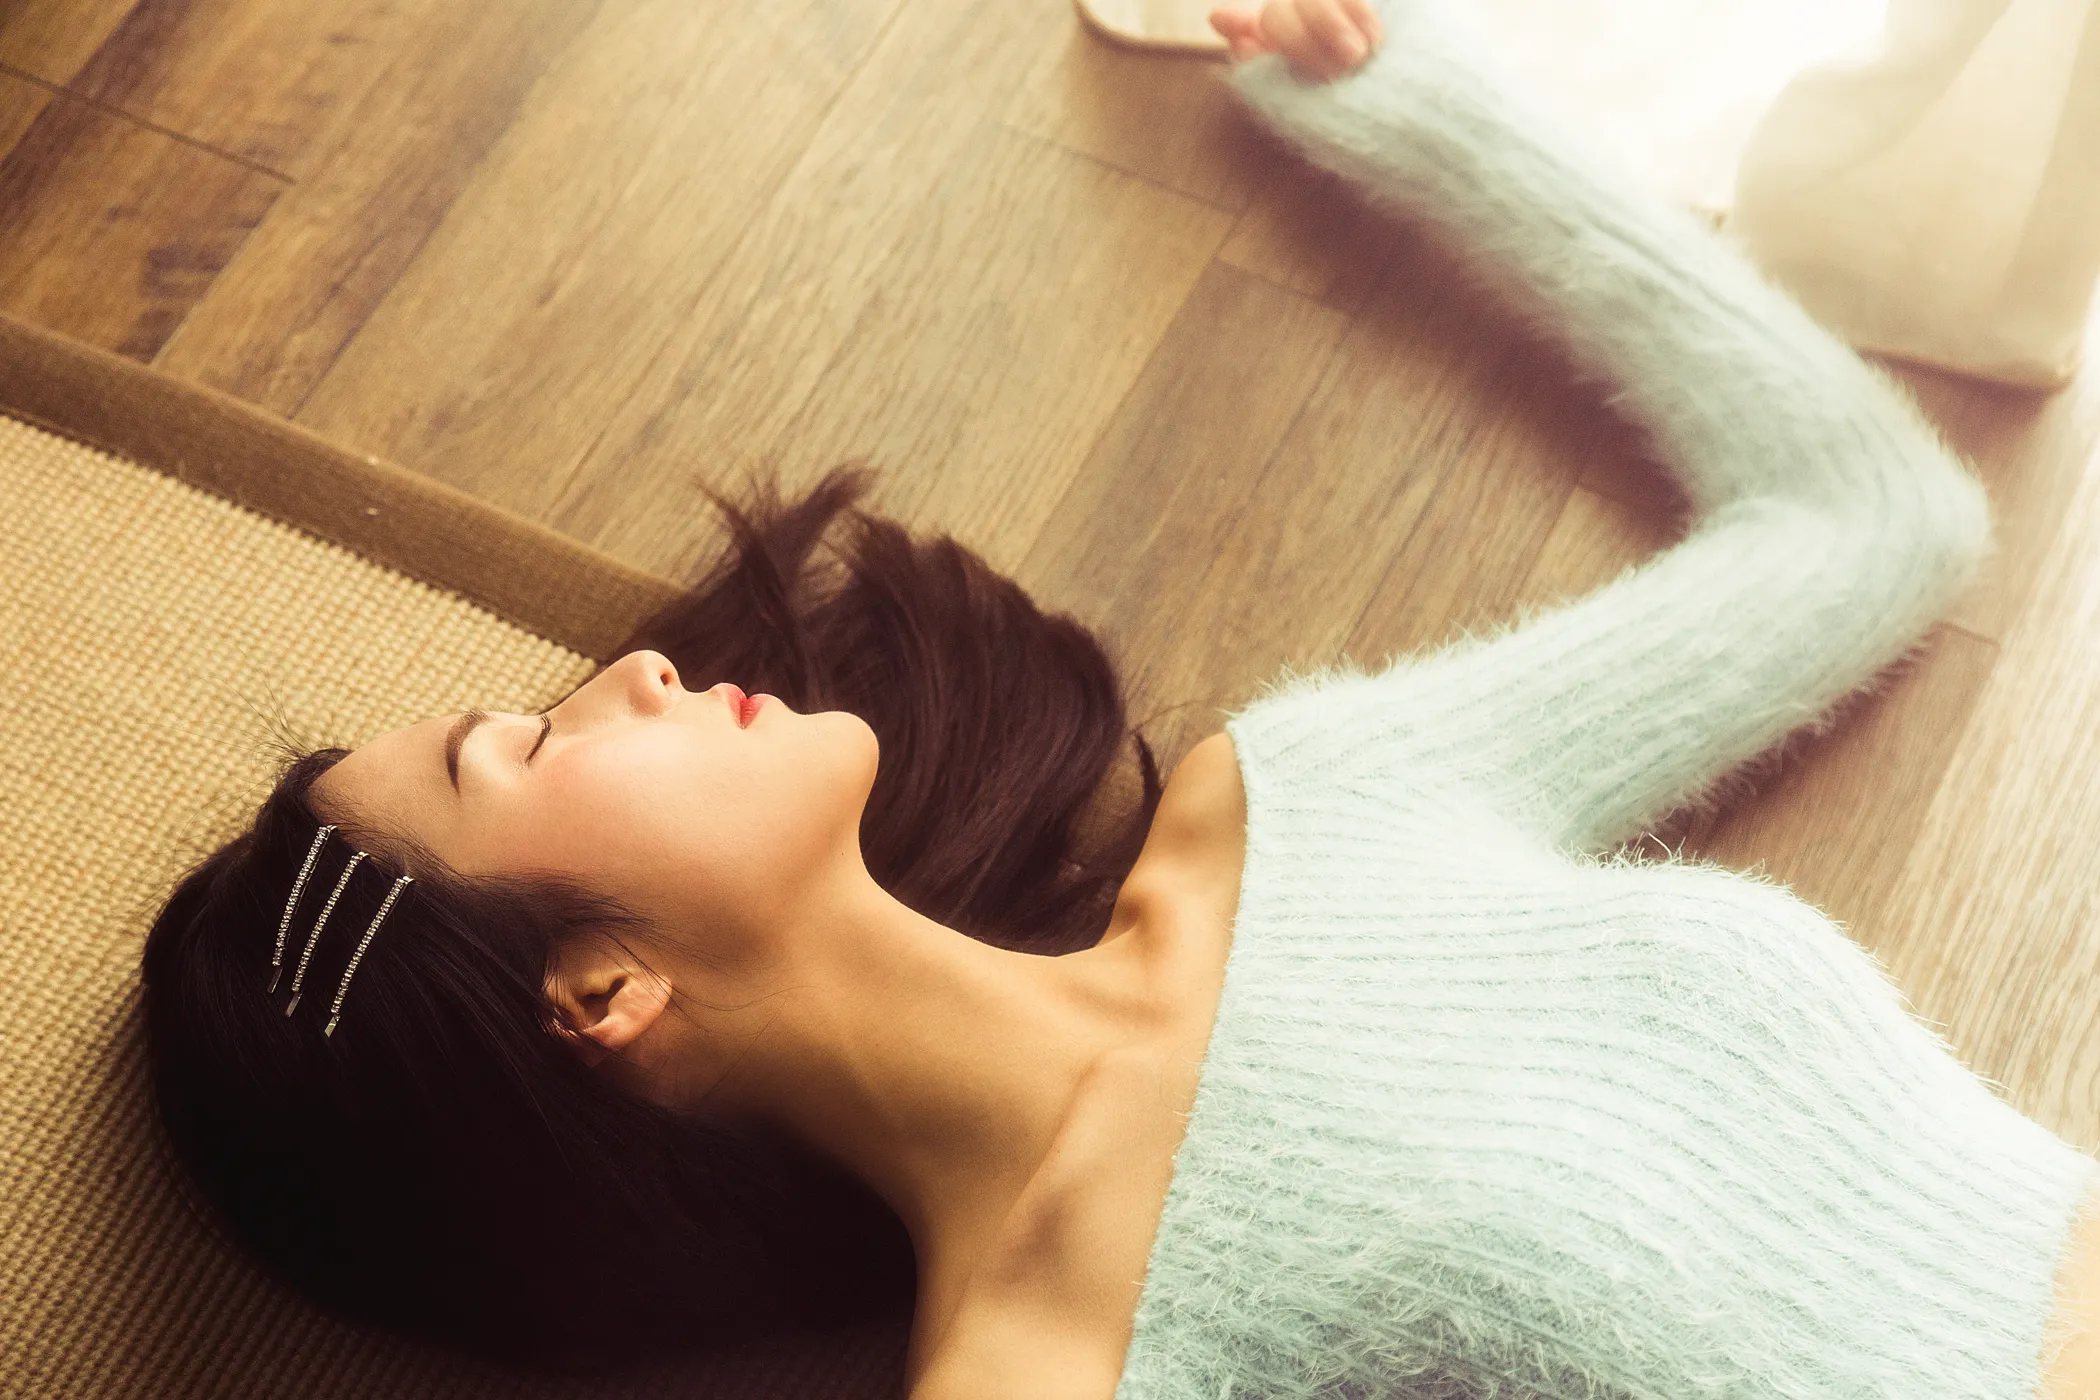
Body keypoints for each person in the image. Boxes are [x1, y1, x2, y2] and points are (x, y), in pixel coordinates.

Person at [139, 0, 2100, 1395]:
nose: (630, 671)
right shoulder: (1044, 1368)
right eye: (522, 746)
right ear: (598, 994)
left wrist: (1431, 113)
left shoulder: (1301, 805)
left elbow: (1869, 525)